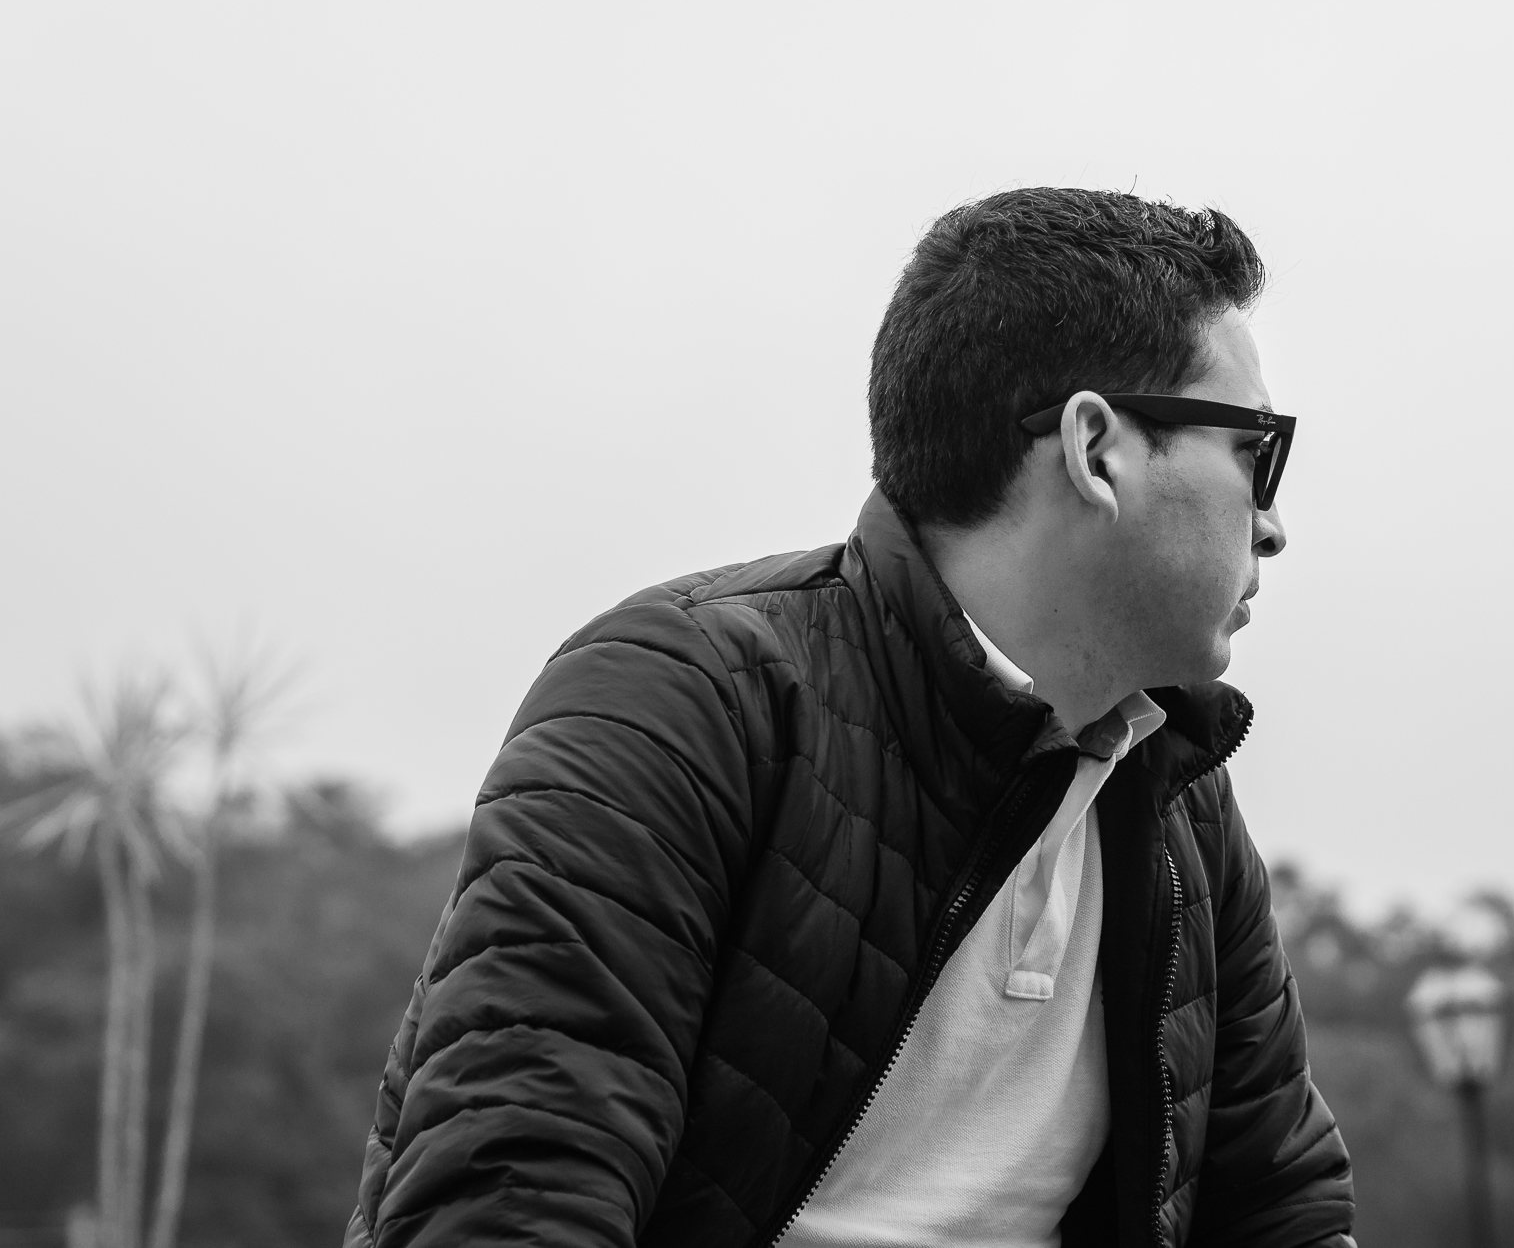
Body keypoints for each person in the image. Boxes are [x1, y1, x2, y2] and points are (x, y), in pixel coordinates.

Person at [345, 187, 1355, 1248]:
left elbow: (1280, 1212)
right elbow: (511, 1201)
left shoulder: (1176, 795)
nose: (1272, 525)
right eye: (1255, 452)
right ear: (1095, 449)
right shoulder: (682, 704)